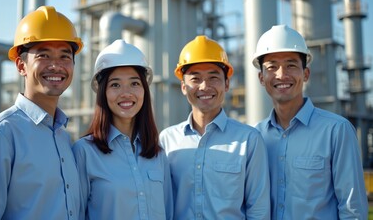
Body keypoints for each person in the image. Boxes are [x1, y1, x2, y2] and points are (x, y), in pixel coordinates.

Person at [0, 6, 84, 219]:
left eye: (65, 56)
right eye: (44, 55)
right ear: (21, 66)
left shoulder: (64, 137)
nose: (56, 65)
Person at [253, 24, 368, 219]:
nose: (281, 74)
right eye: (272, 66)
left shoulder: (336, 131)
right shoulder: (256, 136)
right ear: (261, 78)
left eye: (291, 65)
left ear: (305, 74)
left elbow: (353, 210)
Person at [159, 35, 270, 219]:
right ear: (183, 87)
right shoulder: (167, 140)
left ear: (227, 84)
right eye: (195, 79)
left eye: (213, 77)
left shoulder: (249, 140)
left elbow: (258, 210)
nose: (204, 86)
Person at [72, 39, 173, 219]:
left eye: (134, 83)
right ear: (103, 92)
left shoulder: (158, 154)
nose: (126, 93)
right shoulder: (84, 152)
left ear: (144, 90)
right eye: (115, 85)